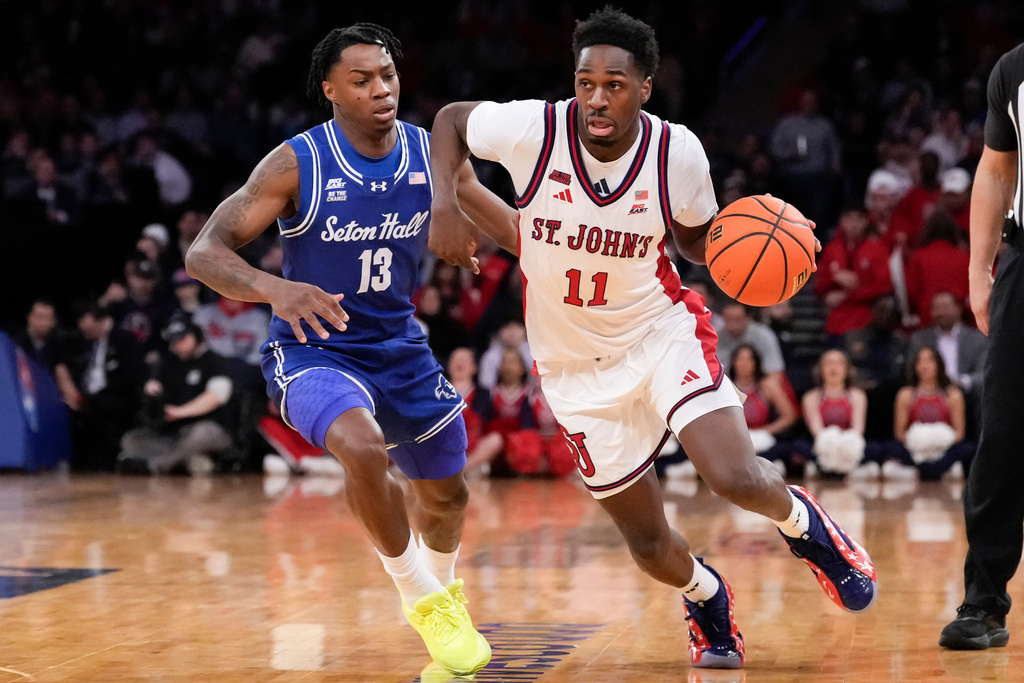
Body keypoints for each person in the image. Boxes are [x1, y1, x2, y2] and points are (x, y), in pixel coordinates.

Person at [427, 7, 877, 671]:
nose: (596, 98)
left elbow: (694, 241)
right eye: (585, 83)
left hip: (659, 331)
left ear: (645, 86)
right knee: (648, 544)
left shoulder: (677, 151)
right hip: (573, 367)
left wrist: (742, 238)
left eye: (614, 83)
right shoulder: (533, 128)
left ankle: (809, 530)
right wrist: (445, 200)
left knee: (733, 475)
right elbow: (450, 121)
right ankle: (706, 593)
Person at [183, 24, 518, 676]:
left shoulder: (430, 155)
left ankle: (444, 596)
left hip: (401, 349)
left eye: (387, 76)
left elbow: (512, 230)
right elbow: (205, 253)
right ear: (331, 90)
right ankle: (421, 596)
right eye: (362, 80)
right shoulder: (296, 162)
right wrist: (273, 288)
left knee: (448, 497)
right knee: (362, 448)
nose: (381, 89)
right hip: (314, 351)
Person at [940, 41, 1024, 651]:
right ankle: (983, 604)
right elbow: (997, 168)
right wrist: (978, 269)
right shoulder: (1013, 69)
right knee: (1002, 432)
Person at [116, 317, 236, 476]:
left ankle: (156, 465)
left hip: (208, 428)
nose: (178, 343)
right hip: (174, 433)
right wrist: (153, 395)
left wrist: (179, 412)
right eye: (173, 339)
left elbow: (216, 397)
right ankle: (186, 462)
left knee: (202, 434)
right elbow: (154, 396)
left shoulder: (215, 361)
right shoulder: (167, 364)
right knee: (131, 439)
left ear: (197, 336)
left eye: (183, 337)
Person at [888, 346, 973, 480]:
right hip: (915, 449)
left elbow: (959, 433)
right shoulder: (906, 394)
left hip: (944, 448)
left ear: (939, 365)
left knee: (967, 449)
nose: (924, 366)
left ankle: (930, 469)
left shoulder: (952, 395)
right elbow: (899, 433)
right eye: (920, 362)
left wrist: (937, 442)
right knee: (890, 448)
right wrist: (920, 443)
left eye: (929, 361)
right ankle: (929, 469)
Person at [728, 344, 798, 473]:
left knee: (787, 449)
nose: (744, 363)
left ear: (756, 363)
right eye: (740, 359)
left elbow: (790, 415)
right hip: (733, 442)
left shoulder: (767, 386)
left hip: (762, 442)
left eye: (749, 359)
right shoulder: (725, 387)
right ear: (734, 362)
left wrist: (766, 431)